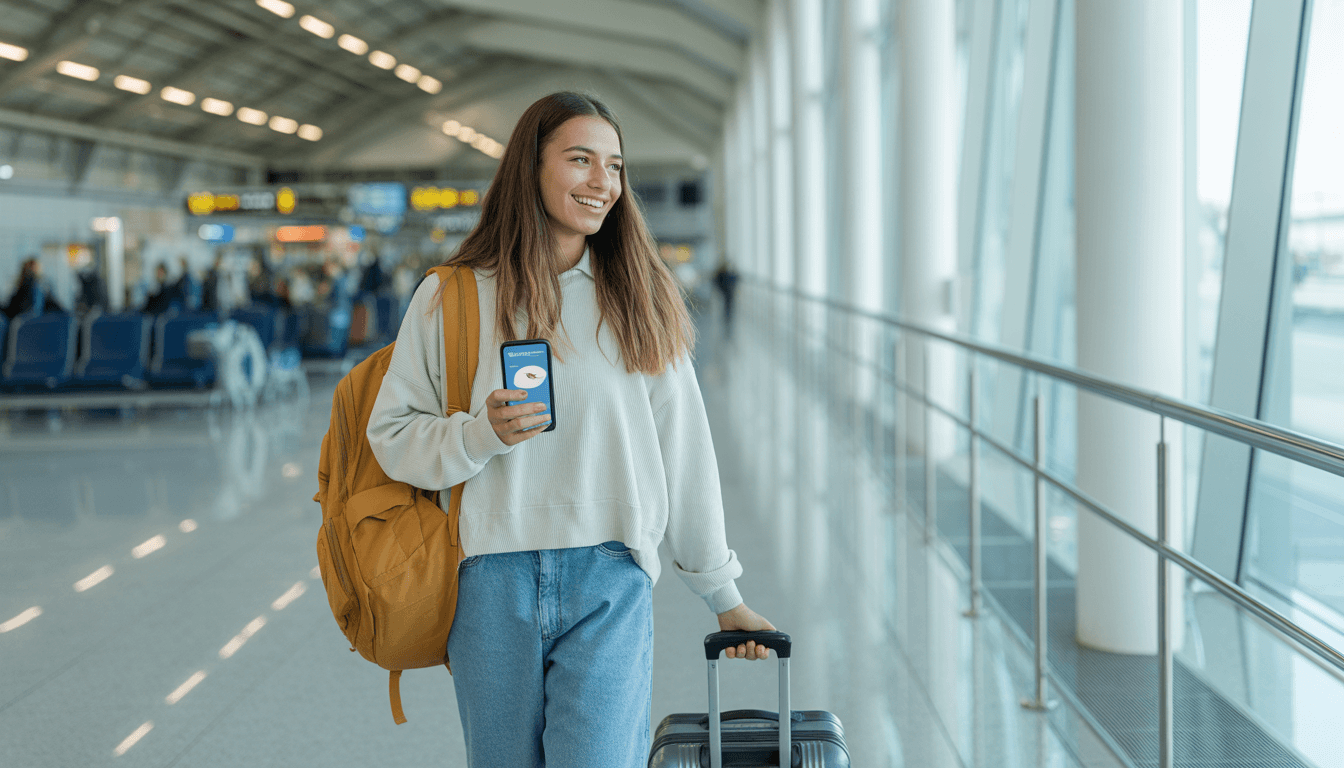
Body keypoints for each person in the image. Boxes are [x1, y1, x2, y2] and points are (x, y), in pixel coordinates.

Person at [366, 92, 774, 767]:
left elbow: (685, 451)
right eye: (580, 160)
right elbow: (394, 435)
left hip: (608, 577)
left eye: (614, 166)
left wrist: (722, 594)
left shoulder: (639, 296)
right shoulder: (452, 296)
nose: (602, 183)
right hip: (488, 580)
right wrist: (478, 434)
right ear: (530, 168)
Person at [713, 260, 739, 337]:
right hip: (727, 293)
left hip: (726, 293)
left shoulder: (722, 274)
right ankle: (727, 317)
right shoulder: (723, 274)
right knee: (727, 306)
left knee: (727, 306)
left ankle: (727, 317)